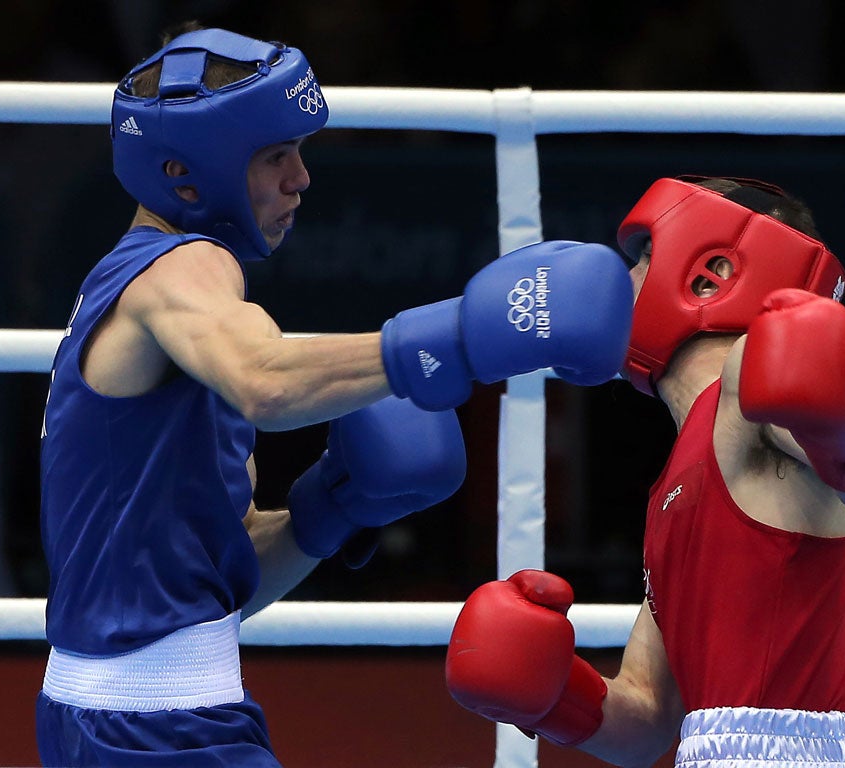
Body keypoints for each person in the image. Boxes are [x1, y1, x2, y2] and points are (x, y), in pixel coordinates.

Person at [35, 25, 635, 767]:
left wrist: (333, 508)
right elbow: (265, 380)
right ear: (188, 177)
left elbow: (218, 587)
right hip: (162, 729)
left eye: (300, 151)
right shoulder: (181, 269)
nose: (301, 180)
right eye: (274, 157)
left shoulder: (126, 282)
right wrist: (459, 339)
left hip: (119, 714)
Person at [444, 175, 845, 767]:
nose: (623, 280)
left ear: (710, 273)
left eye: (642, 256)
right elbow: (645, 721)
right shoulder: (678, 477)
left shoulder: (753, 383)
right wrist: (552, 695)